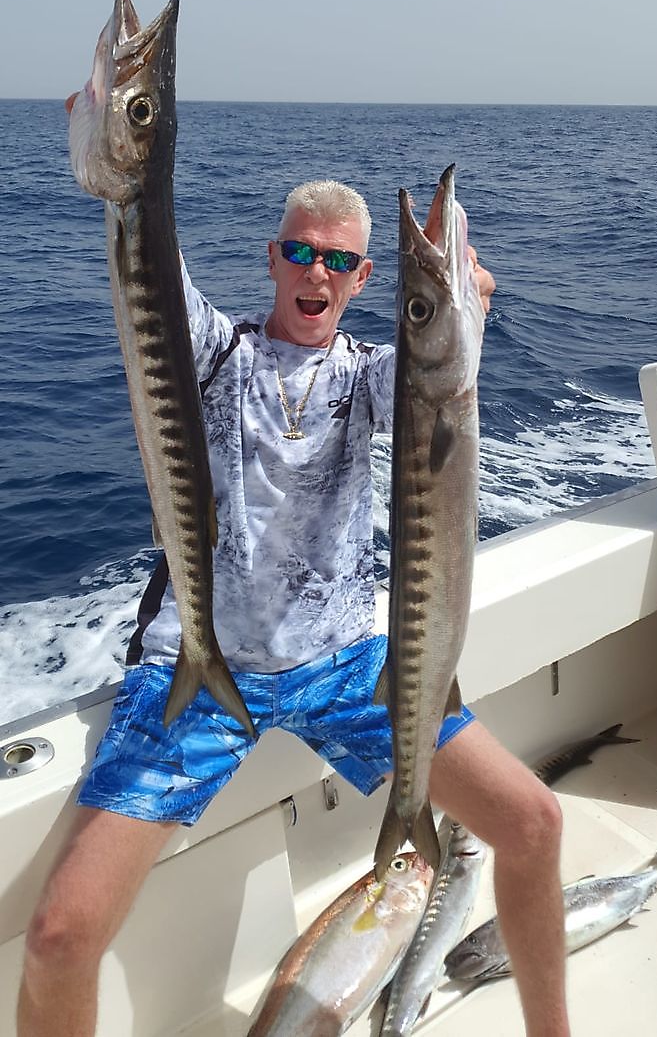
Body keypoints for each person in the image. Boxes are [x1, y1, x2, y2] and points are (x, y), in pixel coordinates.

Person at [18, 178, 569, 1037]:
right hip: (197, 668)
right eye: (301, 252)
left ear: (361, 279)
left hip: (345, 665)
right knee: (58, 935)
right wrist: (119, 174)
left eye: (339, 260)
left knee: (533, 822)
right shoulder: (213, 352)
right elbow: (150, 272)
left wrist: (469, 302)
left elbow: (436, 375)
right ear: (273, 259)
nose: (317, 271)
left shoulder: (370, 377)